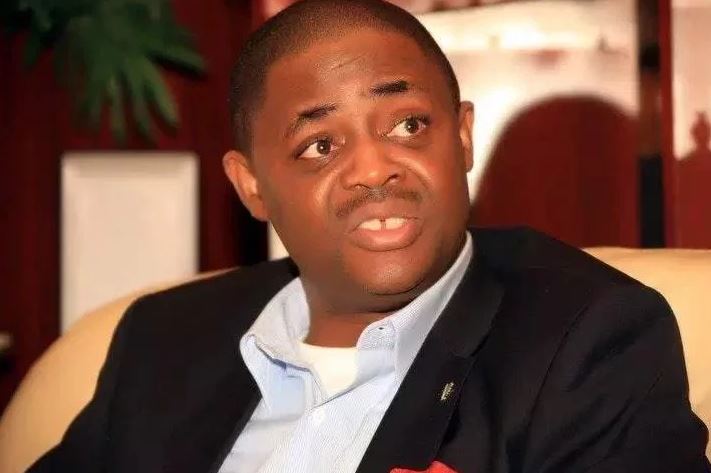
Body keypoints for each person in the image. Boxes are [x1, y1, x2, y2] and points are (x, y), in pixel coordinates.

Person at [28, 0, 710, 472]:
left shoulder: (588, 338)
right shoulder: (164, 339)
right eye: (319, 145)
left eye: (408, 125)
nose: (374, 168)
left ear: (462, 137)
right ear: (252, 186)